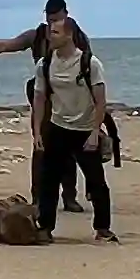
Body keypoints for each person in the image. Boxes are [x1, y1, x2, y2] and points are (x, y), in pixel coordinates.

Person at [28, 14, 117, 238]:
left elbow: (100, 101)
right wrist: (37, 131)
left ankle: (102, 228)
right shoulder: (45, 64)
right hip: (57, 127)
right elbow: (39, 99)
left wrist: (95, 132)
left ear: (69, 34)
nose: (50, 36)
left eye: (55, 32)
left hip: (85, 129)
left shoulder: (90, 63)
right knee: (49, 181)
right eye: (49, 32)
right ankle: (45, 228)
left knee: (96, 182)